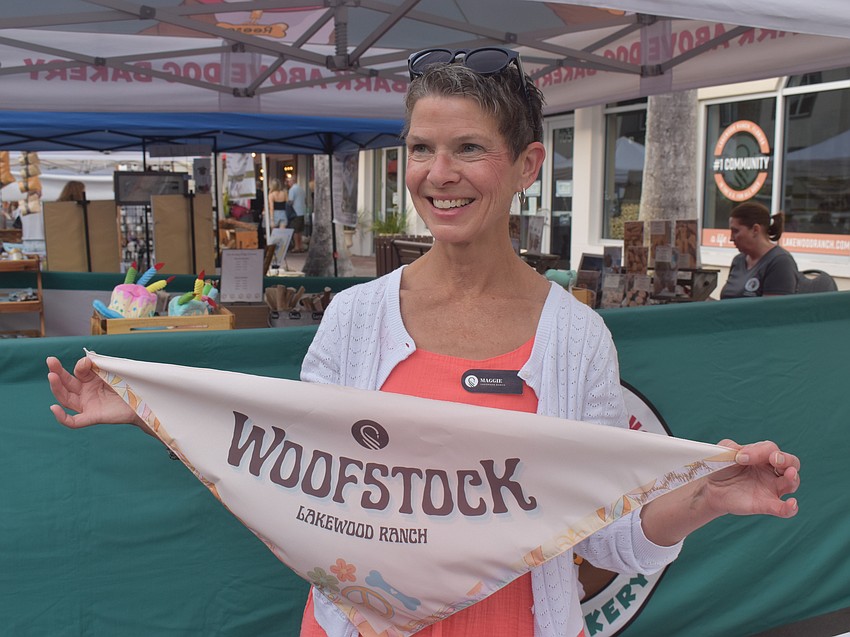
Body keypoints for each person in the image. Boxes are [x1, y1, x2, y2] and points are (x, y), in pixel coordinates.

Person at [46, 47, 800, 637]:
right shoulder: (354, 319)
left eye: (469, 149)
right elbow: (289, 481)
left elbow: (607, 539)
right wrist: (153, 410)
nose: (439, 176)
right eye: (419, 149)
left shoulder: (576, 339)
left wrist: (705, 497)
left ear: (528, 166)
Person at [720, 201, 799, 298]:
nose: (731, 238)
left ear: (755, 230)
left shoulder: (780, 262)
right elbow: (724, 306)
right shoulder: (738, 260)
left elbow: (774, 309)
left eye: (735, 231)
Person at [286, 176, 307, 252]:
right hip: (302, 211)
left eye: (288, 181)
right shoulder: (301, 189)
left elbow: (290, 201)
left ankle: (296, 246)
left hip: (295, 212)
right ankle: (300, 245)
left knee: (295, 231)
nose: (288, 183)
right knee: (300, 231)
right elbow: (305, 200)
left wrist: (286, 204)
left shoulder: (292, 190)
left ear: (292, 181)